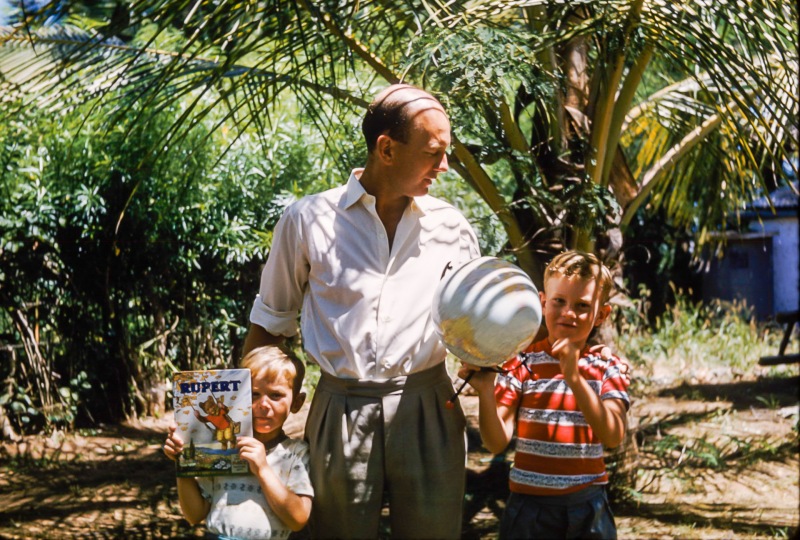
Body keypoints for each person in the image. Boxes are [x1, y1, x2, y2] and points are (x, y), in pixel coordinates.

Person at [242, 83, 481, 539]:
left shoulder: (452, 228)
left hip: (430, 405)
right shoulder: (307, 221)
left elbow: (476, 331)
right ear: (386, 149)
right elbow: (270, 324)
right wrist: (227, 421)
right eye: (433, 152)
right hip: (340, 409)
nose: (445, 166)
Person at [459, 250, 630, 539]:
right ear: (542, 303)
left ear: (601, 315)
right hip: (529, 509)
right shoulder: (522, 363)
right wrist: (486, 392)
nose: (568, 313)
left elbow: (613, 436)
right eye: (559, 301)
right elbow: (496, 441)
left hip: (586, 507)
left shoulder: (607, 366)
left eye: (582, 305)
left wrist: (574, 377)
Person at [163, 346, 314, 540]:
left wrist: (262, 469)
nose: (263, 404)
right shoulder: (221, 449)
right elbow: (194, 515)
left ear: (296, 403)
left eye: (276, 395)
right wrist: (182, 464)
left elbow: (298, 519)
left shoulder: (296, 453)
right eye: (253, 394)